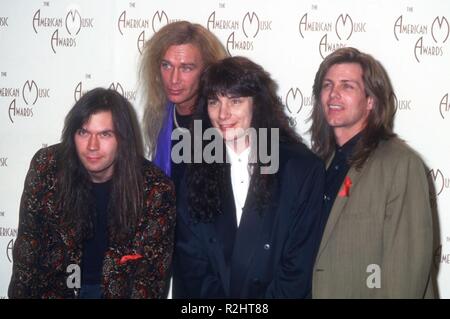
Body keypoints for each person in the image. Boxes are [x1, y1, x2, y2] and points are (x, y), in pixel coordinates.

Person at [172, 56, 325, 298]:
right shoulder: (194, 167)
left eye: (235, 101)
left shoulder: (300, 169)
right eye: (214, 102)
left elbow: (297, 268)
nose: (223, 114)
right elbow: (191, 264)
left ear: (257, 105)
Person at [8, 88, 176, 299]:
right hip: (56, 291)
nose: (92, 146)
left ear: (123, 140)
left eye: (105, 134)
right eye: (83, 132)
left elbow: (150, 280)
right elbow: (27, 255)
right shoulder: (47, 168)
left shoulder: (154, 188)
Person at [310, 47, 434, 298]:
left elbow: (405, 276)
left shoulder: (401, 164)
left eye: (347, 86)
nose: (333, 94)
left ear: (370, 101)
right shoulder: (317, 164)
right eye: (327, 85)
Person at [140, 20, 227, 188]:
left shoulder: (223, 123)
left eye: (186, 68)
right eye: (166, 65)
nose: (173, 79)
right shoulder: (161, 114)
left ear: (207, 71)